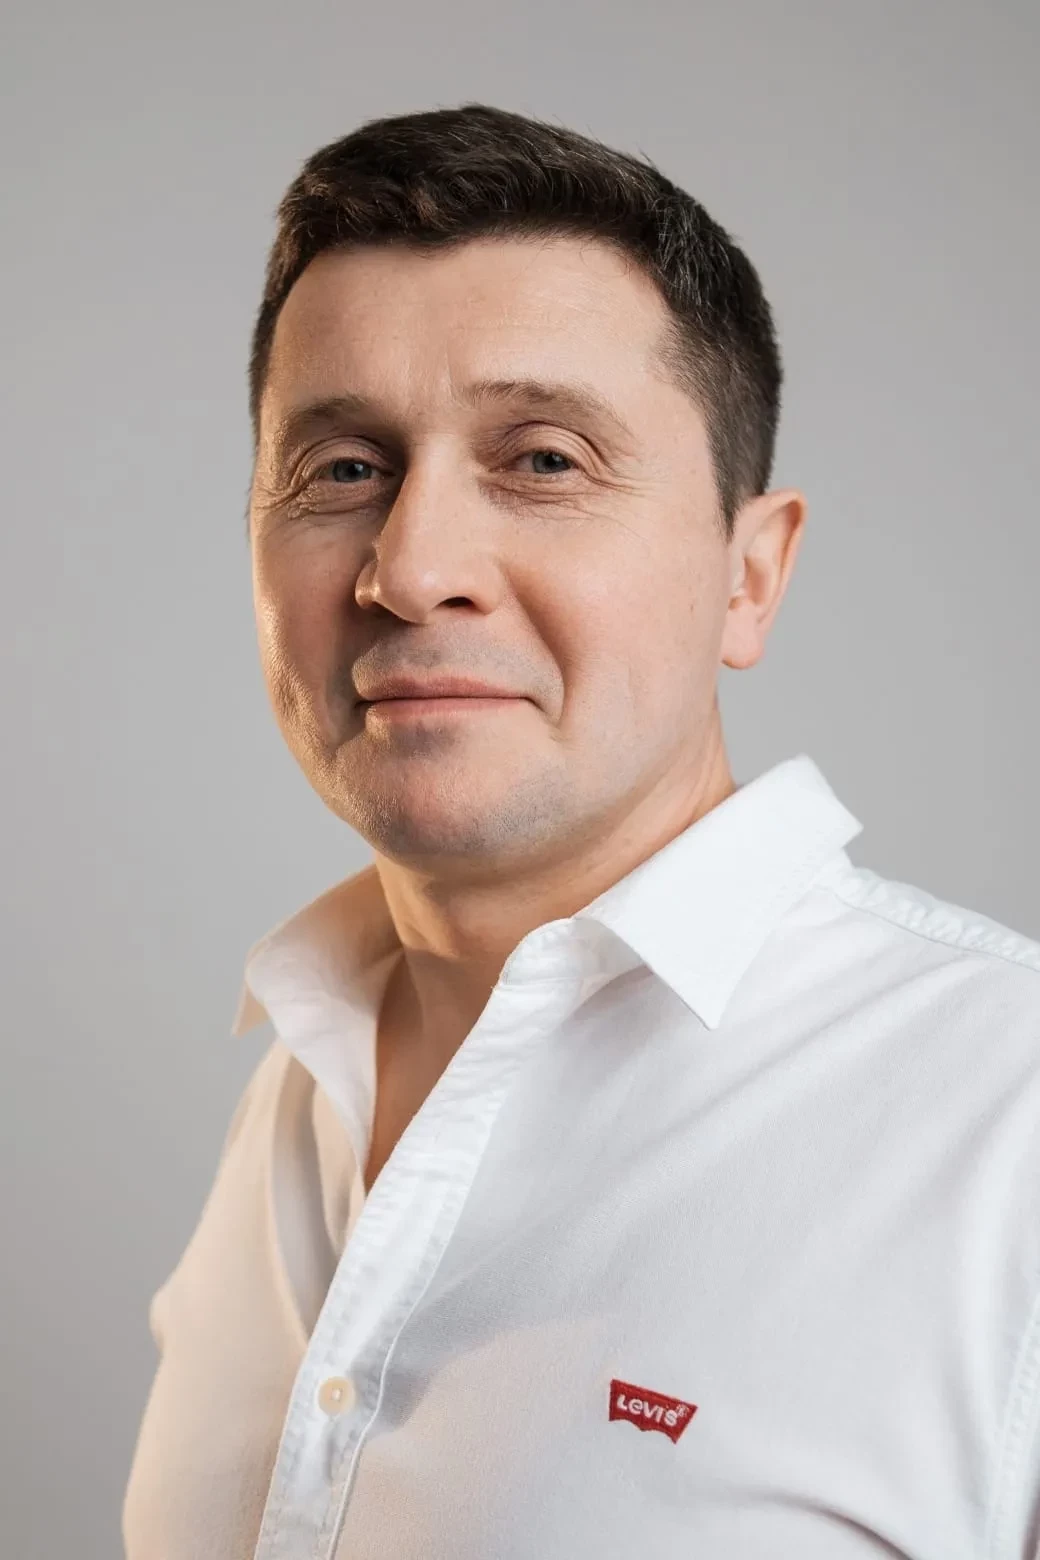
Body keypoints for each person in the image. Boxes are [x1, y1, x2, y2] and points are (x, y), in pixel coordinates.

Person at [122, 102, 1040, 1559]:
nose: (412, 569)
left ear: (751, 575)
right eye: (343, 468)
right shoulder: (297, 1092)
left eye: (543, 461)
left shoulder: (1007, 1126)